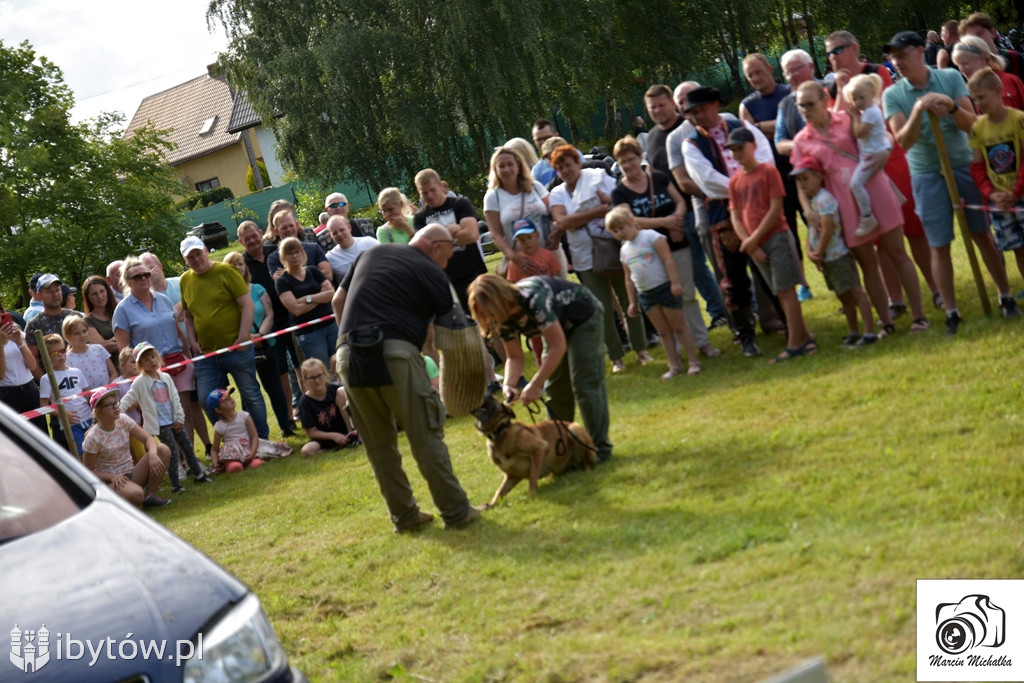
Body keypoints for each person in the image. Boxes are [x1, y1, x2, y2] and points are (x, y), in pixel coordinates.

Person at [334, 224, 483, 532]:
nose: (448, 260)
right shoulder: (431, 270)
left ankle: (404, 516)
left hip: (349, 355)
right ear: (436, 246)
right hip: (395, 352)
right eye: (449, 253)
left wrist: (347, 341)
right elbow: (452, 335)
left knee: (379, 446)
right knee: (425, 436)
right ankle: (456, 512)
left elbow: (338, 301)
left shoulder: (370, 254)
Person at [882, 30, 1018, 331]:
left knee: (982, 234)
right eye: (893, 57)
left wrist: (952, 106)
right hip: (925, 173)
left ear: (920, 51)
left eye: (902, 55)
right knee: (939, 244)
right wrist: (918, 110)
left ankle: (1006, 296)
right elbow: (903, 141)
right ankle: (952, 312)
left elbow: (974, 125)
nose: (897, 62)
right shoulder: (893, 94)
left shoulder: (951, 79)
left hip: (961, 164)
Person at [793, 80, 930, 335]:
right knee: (868, 264)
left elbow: (883, 133)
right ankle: (886, 322)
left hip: (875, 187)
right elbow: (802, 181)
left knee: (898, 253)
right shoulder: (802, 140)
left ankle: (919, 316)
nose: (805, 110)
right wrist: (807, 210)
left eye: (809, 104)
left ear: (824, 101)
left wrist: (887, 148)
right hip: (843, 203)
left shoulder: (847, 117)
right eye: (800, 106)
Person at [826, 29, 941, 315]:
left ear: (853, 48)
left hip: (893, 160)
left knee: (914, 231)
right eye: (828, 54)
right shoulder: (832, 88)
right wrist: (840, 91)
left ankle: (936, 289)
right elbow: (838, 128)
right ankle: (895, 301)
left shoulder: (877, 73)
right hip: (863, 167)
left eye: (836, 50)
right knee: (880, 240)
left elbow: (884, 111)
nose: (832, 58)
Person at [467, 273, 612, 463]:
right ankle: (562, 453)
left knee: (585, 384)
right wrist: (509, 385)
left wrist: (535, 384)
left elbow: (558, 345)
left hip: (583, 319)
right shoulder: (500, 317)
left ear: (497, 299)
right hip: (556, 329)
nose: (488, 318)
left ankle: (598, 449)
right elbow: (514, 356)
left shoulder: (533, 300)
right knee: (555, 389)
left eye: (488, 312)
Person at [682, 86, 776, 357]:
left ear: (715, 105)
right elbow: (708, 181)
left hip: (759, 207)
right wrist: (748, 184)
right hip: (724, 216)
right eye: (693, 113)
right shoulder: (691, 145)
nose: (698, 116)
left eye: (702, 110)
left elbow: (765, 156)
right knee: (734, 278)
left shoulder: (741, 126)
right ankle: (746, 336)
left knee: (771, 267)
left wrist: (756, 183)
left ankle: (787, 323)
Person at [611, 134, 718, 359]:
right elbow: (629, 220)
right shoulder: (619, 192)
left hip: (677, 243)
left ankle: (702, 342)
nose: (628, 165)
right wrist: (665, 222)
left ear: (640, 157)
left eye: (631, 159)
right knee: (662, 300)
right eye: (623, 162)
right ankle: (677, 351)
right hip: (645, 253)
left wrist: (677, 220)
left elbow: (680, 201)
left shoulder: (658, 178)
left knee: (686, 294)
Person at [548, 144, 648, 372]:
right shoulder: (557, 193)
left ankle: (641, 349)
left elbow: (616, 207)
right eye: (560, 167)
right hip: (584, 256)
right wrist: (597, 210)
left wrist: (578, 218)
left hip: (614, 247)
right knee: (600, 308)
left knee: (629, 299)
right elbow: (561, 222)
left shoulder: (598, 176)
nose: (566, 170)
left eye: (569, 164)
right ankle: (616, 357)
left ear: (578, 163)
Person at [726, 128, 815, 363]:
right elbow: (735, 215)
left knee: (786, 291)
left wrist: (753, 239)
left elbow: (776, 209)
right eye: (732, 150)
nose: (736, 154)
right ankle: (807, 339)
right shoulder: (735, 180)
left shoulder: (768, 171)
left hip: (776, 237)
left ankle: (794, 344)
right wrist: (750, 243)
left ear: (753, 146)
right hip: (755, 246)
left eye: (740, 148)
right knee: (779, 292)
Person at [112, 255, 207, 452]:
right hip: (151, 372)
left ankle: (189, 458)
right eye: (137, 277)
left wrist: (189, 358)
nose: (144, 279)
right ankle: (175, 461)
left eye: (146, 274)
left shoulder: (163, 299)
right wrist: (137, 378)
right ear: (128, 281)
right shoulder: (122, 310)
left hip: (178, 363)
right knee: (163, 419)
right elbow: (124, 351)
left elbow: (178, 331)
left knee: (184, 413)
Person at [179, 236, 270, 436]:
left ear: (205, 250)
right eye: (190, 257)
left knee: (251, 394)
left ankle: (261, 439)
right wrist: (192, 342)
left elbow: (248, 305)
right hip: (206, 353)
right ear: (185, 260)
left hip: (236, 348)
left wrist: (244, 336)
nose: (196, 259)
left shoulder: (226, 271)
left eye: (198, 253)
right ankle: (234, 438)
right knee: (206, 399)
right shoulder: (185, 280)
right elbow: (188, 316)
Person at [739, 54, 811, 301]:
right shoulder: (747, 105)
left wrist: (760, 127)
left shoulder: (789, 92)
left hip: (804, 172)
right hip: (773, 179)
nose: (756, 78)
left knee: (817, 223)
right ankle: (803, 284)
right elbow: (749, 140)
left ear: (770, 68)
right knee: (788, 232)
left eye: (759, 72)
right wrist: (769, 128)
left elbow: (801, 126)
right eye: (751, 76)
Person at [605, 205, 700, 379]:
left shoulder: (651, 237)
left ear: (631, 221)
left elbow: (667, 259)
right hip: (646, 295)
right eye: (615, 231)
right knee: (662, 331)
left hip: (664, 287)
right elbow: (628, 277)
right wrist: (633, 301)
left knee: (679, 326)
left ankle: (693, 361)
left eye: (622, 228)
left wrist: (675, 282)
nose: (620, 233)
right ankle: (674, 365)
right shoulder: (624, 250)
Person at [791, 158, 877, 347]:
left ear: (818, 177)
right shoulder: (814, 202)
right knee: (842, 294)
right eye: (799, 180)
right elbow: (812, 230)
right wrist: (810, 251)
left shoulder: (824, 200)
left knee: (854, 291)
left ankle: (869, 332)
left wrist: (819, 252)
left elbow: (828, 229)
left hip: (837, 255)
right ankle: (854, 330)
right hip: (828, 258)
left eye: (806, 178)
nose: (802, 183)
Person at [119, 342, 210, 493]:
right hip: (160, 425)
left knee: (187, 447)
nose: (152, 361)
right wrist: (117, 411)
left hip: (174, 421)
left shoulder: (166, 377)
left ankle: (199, 475)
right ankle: (176, 485)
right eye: (146, 360)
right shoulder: (139, 382)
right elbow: (128, 398)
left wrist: (179, 419)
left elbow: (175, 399)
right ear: (140, 364)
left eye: (153, 357)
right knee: (172, 452)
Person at [222, 251, 295, 437]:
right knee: (249, 392)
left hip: (266, 344)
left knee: (275, 388)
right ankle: (255, 435)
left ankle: (286, 427)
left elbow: (269, 314)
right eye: (233, 265)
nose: (238, 268)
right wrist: (246, 337)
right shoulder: (225, 296)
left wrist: (261, 334)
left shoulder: (258, 289)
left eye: (240, 264)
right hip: (242, 348)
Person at [967, 68, 1024, 289]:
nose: (978, 103)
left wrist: (1016, 191)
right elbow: (977, 166)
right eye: (974, 99)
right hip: (999, 201)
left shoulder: (1019, 120)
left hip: (1020, 193)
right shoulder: (977, 128)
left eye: (982, 97)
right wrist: (991, 194)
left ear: (999, 91)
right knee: (1018, 248)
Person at [237, 221, 296, 425]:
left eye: (255, 236)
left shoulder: (276, 253)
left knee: (301, 365)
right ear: (240, 241)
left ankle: (308, 411)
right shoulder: (241, 264)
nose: (253, 241)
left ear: (261, 233)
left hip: (293, 317)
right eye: (247, 239)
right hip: (269, 327)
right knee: (281, 373)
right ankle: (289, 417)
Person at [82, 387, 171, 508]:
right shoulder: (93, 437)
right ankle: (115, 502)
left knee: (163, 450)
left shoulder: (123, 419)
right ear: (99, 413)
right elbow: (88, 472)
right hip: (112, 482)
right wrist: (112, 477)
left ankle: (150, 496)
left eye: (115, 402)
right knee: (137, 494)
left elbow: (148, 438)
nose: (115, 407)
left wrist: (153, 455)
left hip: (131, 474)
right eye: (109, 405)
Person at [483, 146, 559, 277]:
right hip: (521, 262)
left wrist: (557, 233)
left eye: (510, 164)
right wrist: (515, 258)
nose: (506, 169)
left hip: (550, 254)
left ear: (518, 166)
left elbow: (555, 213)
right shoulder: (492, 197)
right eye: (501, 166)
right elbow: (496, 235)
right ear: (495, 169)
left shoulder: (535, 187)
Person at [275, 236, 339, 369]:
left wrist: (307, 298)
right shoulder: (282, 281)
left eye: (297, 251)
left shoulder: (313, 270)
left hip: (331, 326)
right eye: (289, 253)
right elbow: (296, 310)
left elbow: (331, 294)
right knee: (322, 371)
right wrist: (321, 296)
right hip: (310, 334)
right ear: (283, 257)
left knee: (341, 366)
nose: (294, 256)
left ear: (302, 252)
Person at [844, 74, 893, 237]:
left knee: (855, 184)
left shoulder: (871, 113)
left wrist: (854, 116)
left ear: (872, 93)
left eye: (861, 98)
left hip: (872, 155)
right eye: (854, 99)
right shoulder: (867, 111)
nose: (857, 102)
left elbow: (858, 133)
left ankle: (867, 217)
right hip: (870, 153)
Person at [208, 387, 291, 473]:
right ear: (218, 410)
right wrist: (215, 463)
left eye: (230, 397)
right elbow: (214, 449)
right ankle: (233, 464)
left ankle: (251, 460)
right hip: (231, 454)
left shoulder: (244, 416)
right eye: (226, 400)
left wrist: (252, 453)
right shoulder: (219, 426)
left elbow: (254, 436)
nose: (231, 399)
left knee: (256, 464)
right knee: (234, 468)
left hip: (248, 449)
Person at [38, 333, 91, 453]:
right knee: (81, 455)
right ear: (46, 356)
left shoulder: (76, 372)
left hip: (88, 418)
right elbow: (43, 406)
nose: (60, 355)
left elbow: (86, 395)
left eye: (62, 350)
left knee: (96, 452)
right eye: (55, 353)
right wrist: (63, 414)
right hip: (70, 425)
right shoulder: (46, 379)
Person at [296, 358, 359, 458]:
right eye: (312, 378)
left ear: (325, 374)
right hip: (324, 437)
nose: (317, 380)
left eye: (319, 376)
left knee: (342, 391)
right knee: (306, 451)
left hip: (344, 430)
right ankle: (332, 449)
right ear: (305, 380)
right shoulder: (305, 402)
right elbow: (311, 432)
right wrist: (334, 436)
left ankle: (352, 435)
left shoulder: (335, 389)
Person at [264, 201, 333, 283]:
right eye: (284, 227)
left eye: (288, 214)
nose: (289, 229)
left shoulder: (311, 244)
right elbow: (282, 283)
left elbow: (327, 273)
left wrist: (289, 273)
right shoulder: (270, 249)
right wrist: (316, 273)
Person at [0, 310, 45, 433]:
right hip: (6, 392)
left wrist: (19, 341)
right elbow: (1, 375)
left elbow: (32, 365)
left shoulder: (17, 333)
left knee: (39, 432)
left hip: (29, 387)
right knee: (15, 437)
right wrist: (1, 345)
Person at [952, 36, 1024, 111]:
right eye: (958, 65)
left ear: (983, 57)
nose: (961, 70)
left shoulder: (1010, 80)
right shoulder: (966, 94)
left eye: (965, 63)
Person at [24, 273, 83, 361]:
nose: (55, 294)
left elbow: (88, 345)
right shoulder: (34, 325)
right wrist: (43, 375)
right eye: (49, 292)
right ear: (39, 295)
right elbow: (32, 360)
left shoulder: (76, 316)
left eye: (57, 290)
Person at [960, 13, 1024, 78]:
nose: (976, 40)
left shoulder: (1014, 58)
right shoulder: (968, 69)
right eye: (971, 37)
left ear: (992, 33)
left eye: (979, 34)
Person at [63, 316, 116, 391]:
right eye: (77, 333)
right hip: (88, 399)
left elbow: (113, 372)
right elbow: (75, 385)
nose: (82, 335)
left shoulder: (98, 349)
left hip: (109, 394)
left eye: (84, 331)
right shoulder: (68, 359)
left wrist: (108, 389)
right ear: (67, 337)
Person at [81, 275, 120, 368]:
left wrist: (111, 341)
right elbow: (101, 347)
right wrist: (125, 340)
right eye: (94, 294)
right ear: (88, 297)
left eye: (102, 291)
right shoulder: (88, 321)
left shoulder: (120, 311)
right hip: (112, 370)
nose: (99, 296)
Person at [325, 215, 377, 282]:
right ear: (330, 236)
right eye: (335, 233)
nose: (339, 234)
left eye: (342, 230)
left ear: (349, 227)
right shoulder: (330, 258)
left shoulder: (369, 242)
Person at [531, 118, 560, 185]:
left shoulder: (574, 155)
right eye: (539, 139)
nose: (544, 142)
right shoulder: (537, 170)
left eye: (547, 138)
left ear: (556, 136)